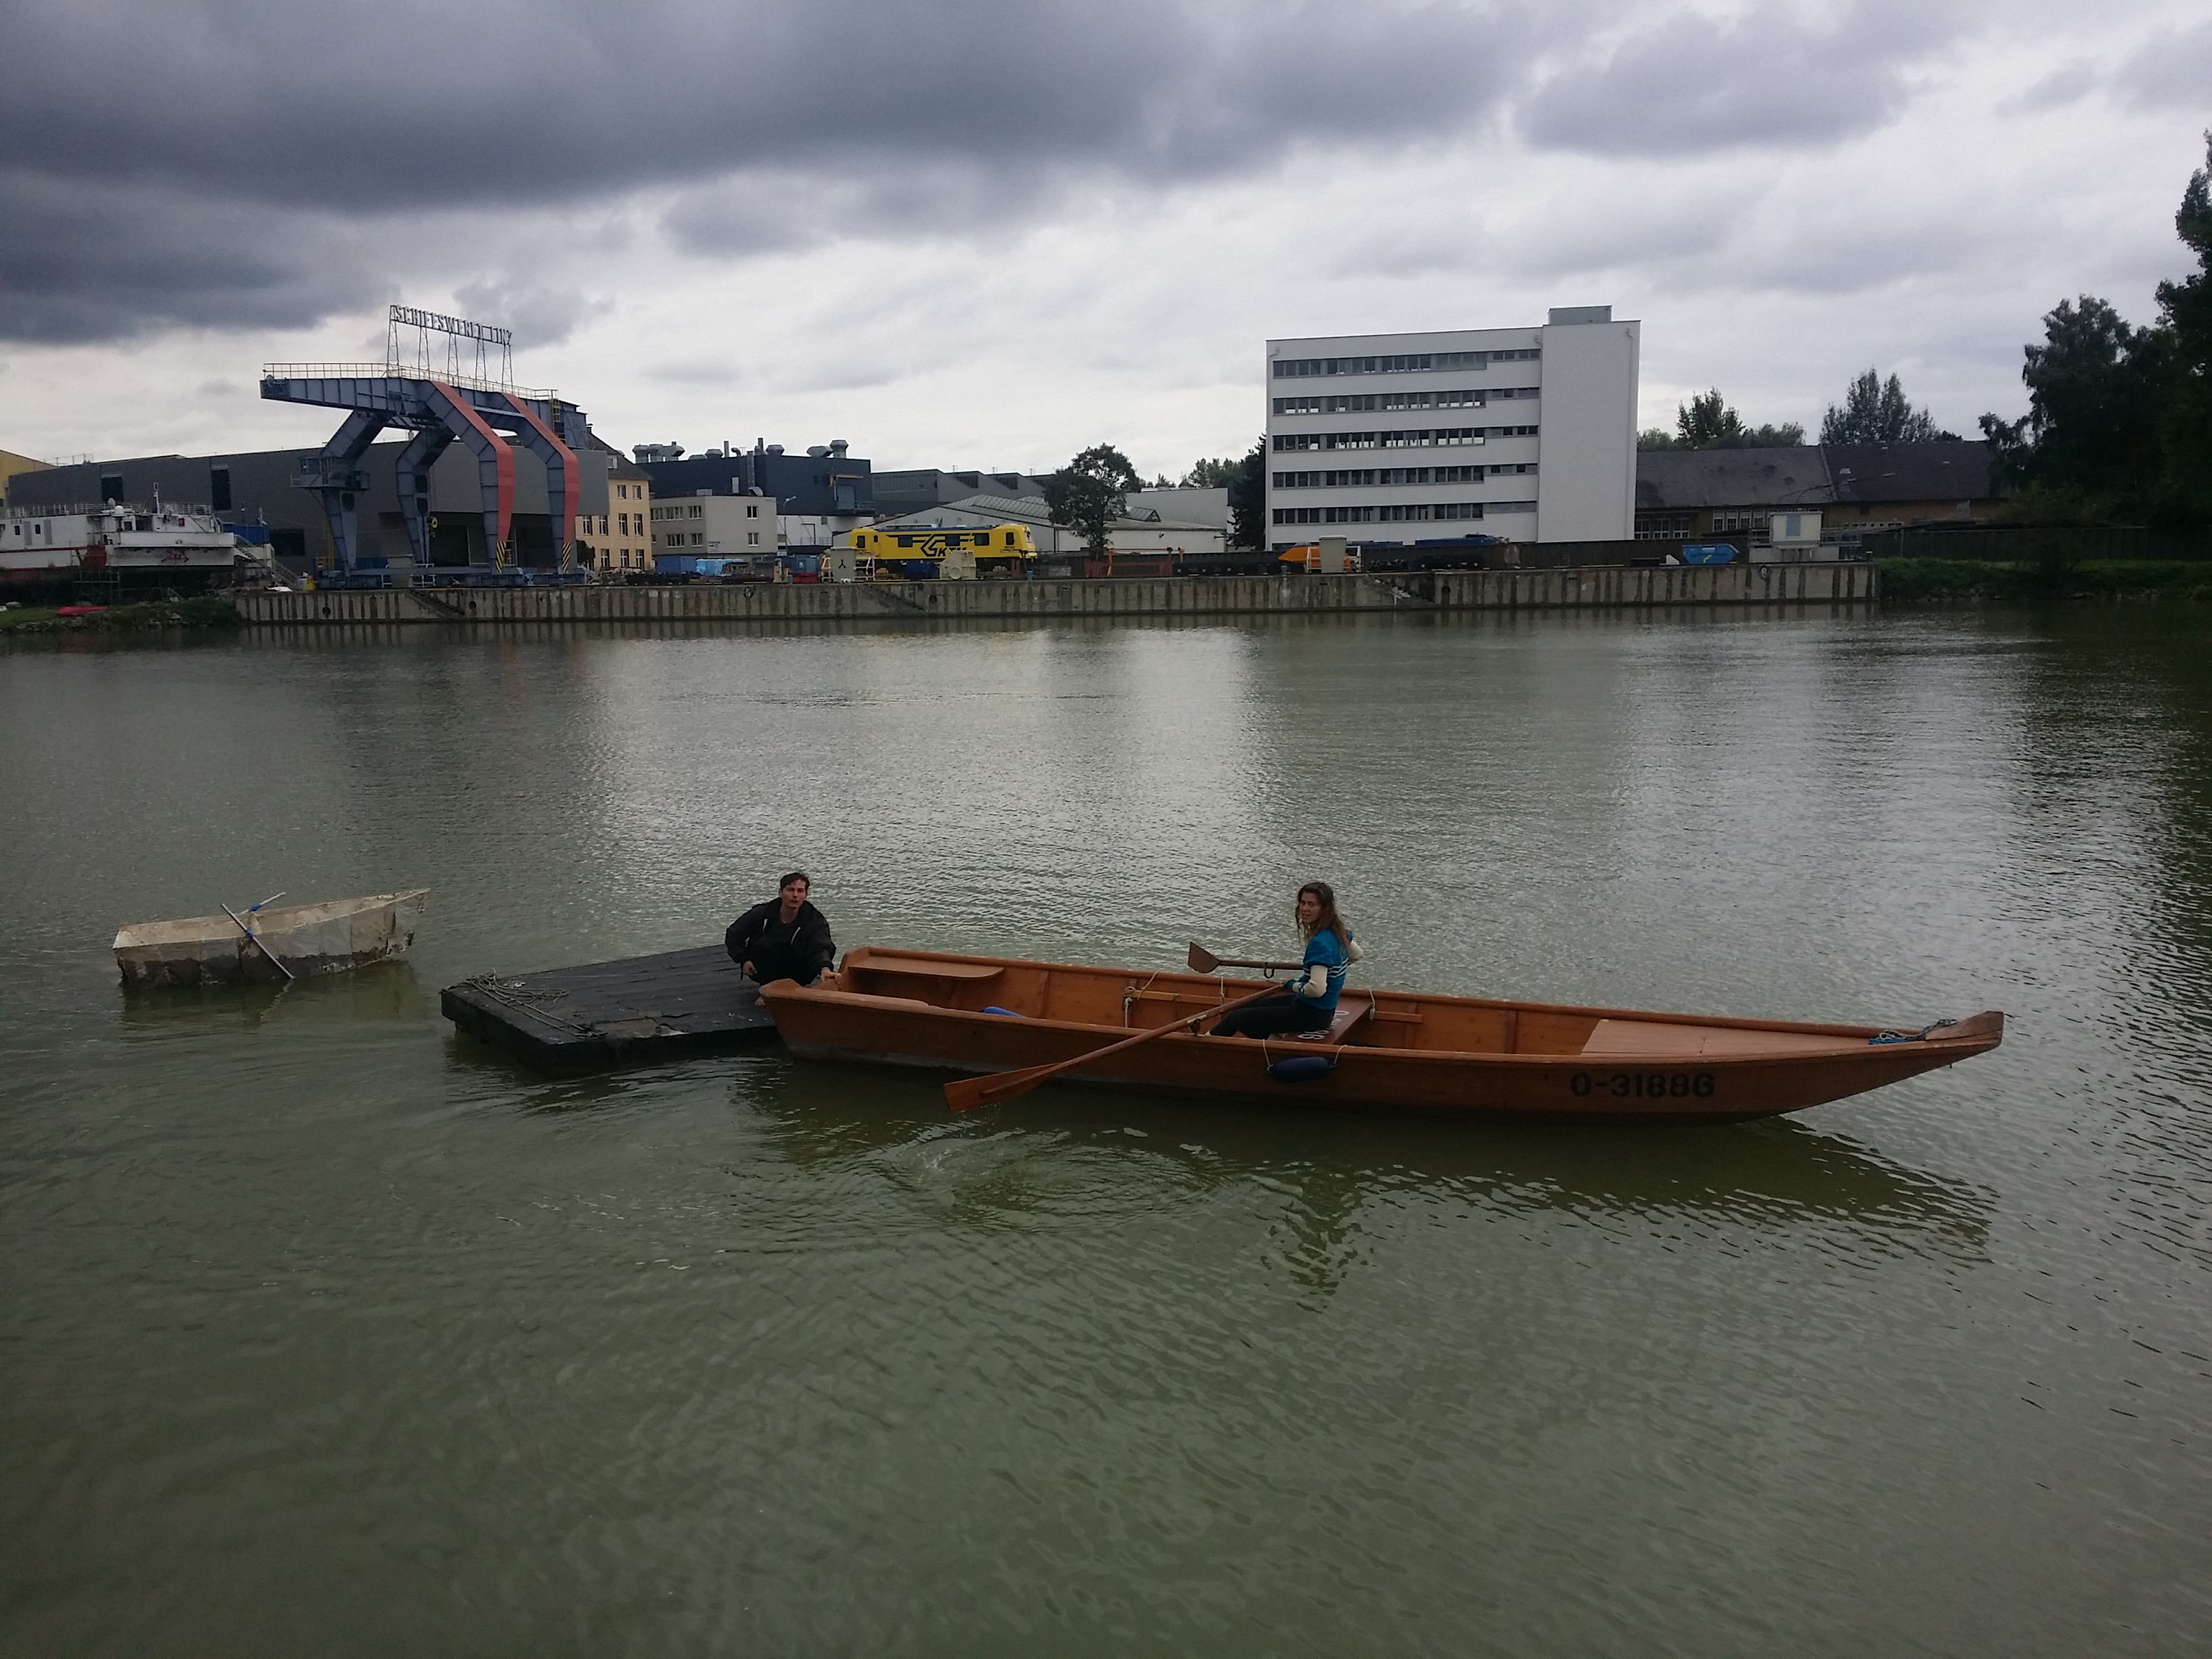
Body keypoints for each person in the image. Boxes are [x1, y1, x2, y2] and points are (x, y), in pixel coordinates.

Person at [1211, 881, 1357, 1040]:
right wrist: (1329, 969)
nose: (1305, 909)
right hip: (1321, 1010)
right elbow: (1356, 955)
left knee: (1238, 1018)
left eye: (1312, 905)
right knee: (1243, 1007)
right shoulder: (1339, 932)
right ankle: (1209, 1038)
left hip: (1311, 1015)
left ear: (1324, 909)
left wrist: (1291, 985)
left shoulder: (1320, 943)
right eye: (1302, 903)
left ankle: (1203, 1047)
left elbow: (1316, 990)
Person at [725, 871, 836, 986]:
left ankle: (791, 989)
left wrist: (825, 968)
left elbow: (821, 946)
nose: (795, 895)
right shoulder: (761, 913)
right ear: (780, 893)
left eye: (800, 891)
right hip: (763, 969)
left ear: (806, 896)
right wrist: (744, 959)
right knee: (767, 944)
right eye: (790, 890)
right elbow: (734, 935)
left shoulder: (814, 920)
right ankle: (767, 987)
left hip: (799, 972)